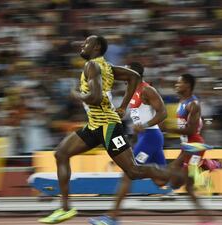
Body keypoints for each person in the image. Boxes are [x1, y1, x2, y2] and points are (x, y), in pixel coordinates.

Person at [38, 35, 179, 224]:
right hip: (94, 125)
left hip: (108, 127)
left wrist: (76, 94)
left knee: (133, 172)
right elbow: (134, 77)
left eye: (86, 42)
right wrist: (123, 106)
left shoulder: (93, 66)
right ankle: (65, 209)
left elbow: (95, 97)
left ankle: (175, 173)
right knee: (61, 154)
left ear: (96, 47)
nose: (82, 44)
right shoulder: (107, 67)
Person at [89, 62, 168, 225]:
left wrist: (145, 126)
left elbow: (163, 113)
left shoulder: (147, 90)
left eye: (125, 71)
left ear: (132, 74)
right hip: (145, 138)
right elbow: (137, 120)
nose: (121, 74)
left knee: (127, 174)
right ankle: (184, 172)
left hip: (151, 137)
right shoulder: (131, 92)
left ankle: (112, 218)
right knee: (161, 181)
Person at [164, 73, 221, 225]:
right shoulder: (182, 101)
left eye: (179, 83)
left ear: (187, 85)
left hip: (195, 147)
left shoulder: (193, 104)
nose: (176, 85)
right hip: (186, 147)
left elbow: (191, 130)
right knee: (183, 186)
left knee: (178, 179)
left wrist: (168, 129)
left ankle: (208, 165)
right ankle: (206, 219)